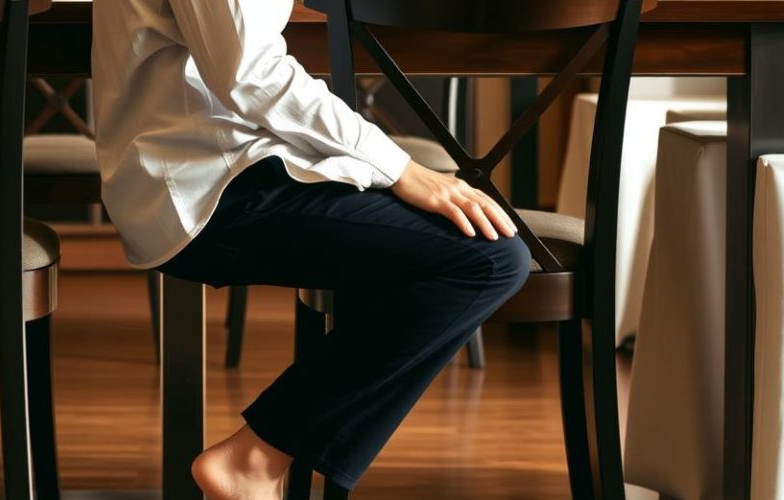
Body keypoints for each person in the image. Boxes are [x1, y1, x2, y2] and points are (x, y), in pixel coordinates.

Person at [93, 0, 531, 497]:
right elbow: (249, 72)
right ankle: (253, 462)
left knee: (467, 255)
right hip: (202, 180)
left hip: (226, 157)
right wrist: (402, 168)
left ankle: (267, 466)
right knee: (487, 261)